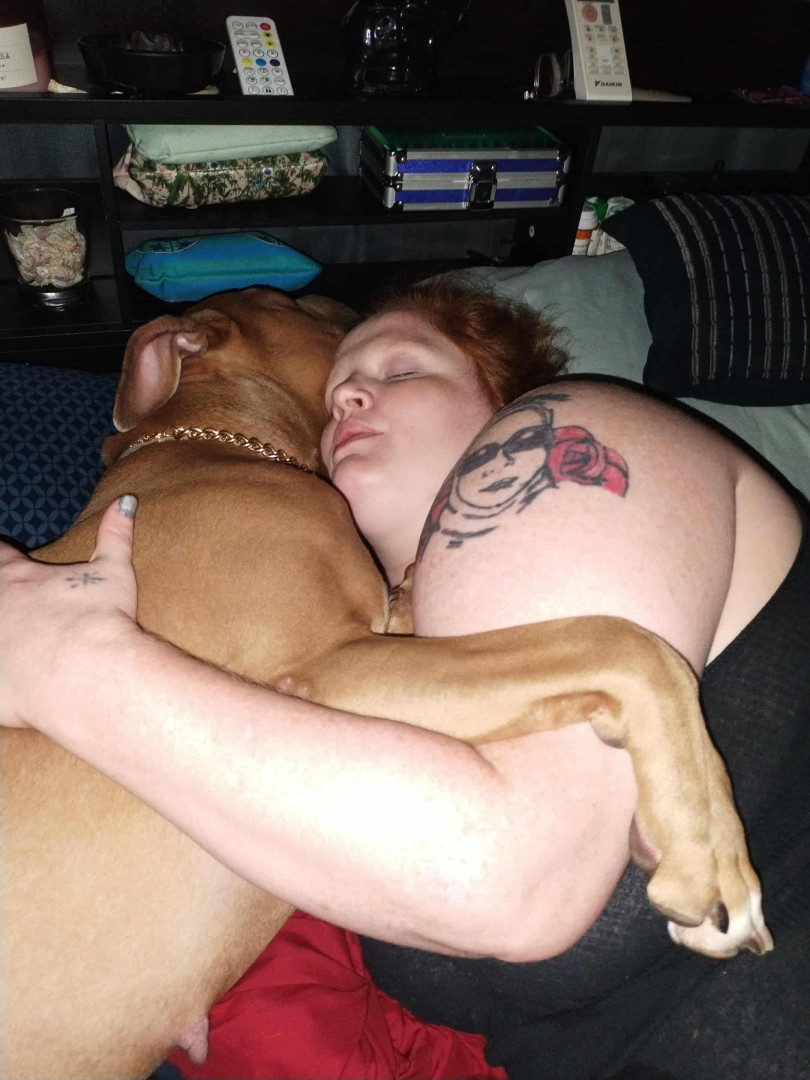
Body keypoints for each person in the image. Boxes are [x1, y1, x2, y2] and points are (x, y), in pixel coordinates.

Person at [2, 276, 808, 1079]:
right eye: (333, 387)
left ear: (500, 399)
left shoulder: (572, 425)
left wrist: (67, 663)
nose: (346, 394)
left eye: (402, 369)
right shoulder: (260, 542)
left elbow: (499, 874)